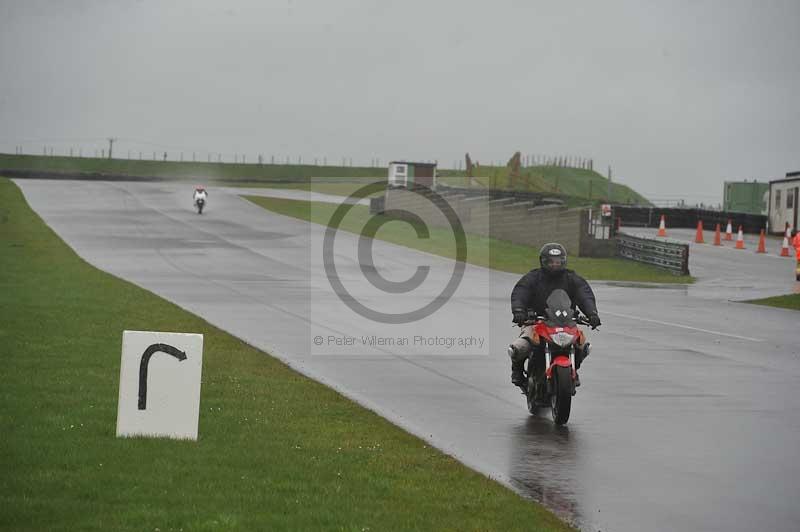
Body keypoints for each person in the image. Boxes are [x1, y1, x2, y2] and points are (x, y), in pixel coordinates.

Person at [507, 243, 601, 387]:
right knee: (519, 347)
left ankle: (573, 370)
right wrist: (519, 311)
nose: (554, 265)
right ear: (543, 261)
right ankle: (517, 371)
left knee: (583, 346)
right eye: (551, 261)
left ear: (563, 261)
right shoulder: (533, 277)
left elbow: (585, 295)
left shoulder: (572, 278)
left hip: (566, 322)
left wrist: (592, 313)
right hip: (536, 322)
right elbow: (521, 292)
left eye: (558, 262)